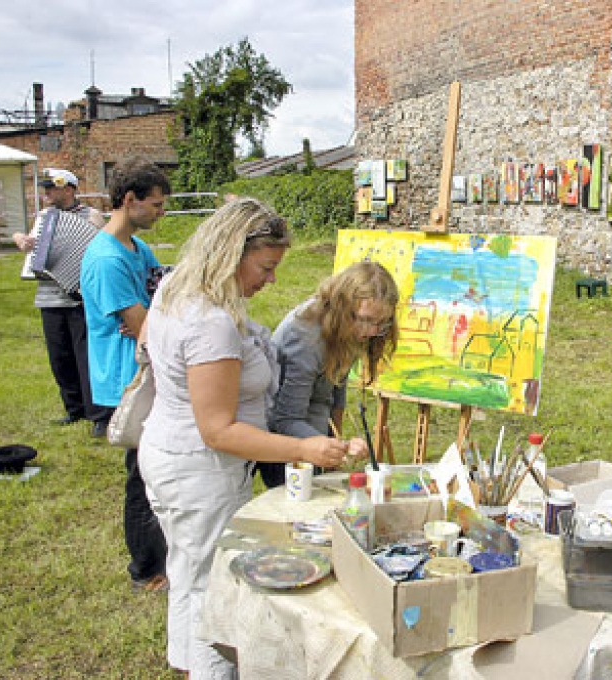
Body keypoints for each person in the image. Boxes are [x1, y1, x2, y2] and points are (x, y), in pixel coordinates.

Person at [138, 198, 354, 677]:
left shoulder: (180, 286)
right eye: (266, 267)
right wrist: (305, 447)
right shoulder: (211, 322)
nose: (271, 279)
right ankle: (209, 670)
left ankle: (188, 666)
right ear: (232, 253)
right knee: (210, 588)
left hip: (174, 455)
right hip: (199, 470)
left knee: (189, 572)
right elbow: (218, 431)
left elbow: (152, 343)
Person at [80, 158, 170, 592]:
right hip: (126, 378)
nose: (161, 213)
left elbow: (163, 299)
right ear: (129, 200)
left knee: (154, 470)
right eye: (155, 204)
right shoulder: (105, 259)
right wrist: (150, 318)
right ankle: (146, 569)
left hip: (144, 370)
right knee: (142, 475)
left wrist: (153, 314)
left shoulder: (138, 248)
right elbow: (147, 327)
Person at [259, 261, 400, 487]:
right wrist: (338, 446)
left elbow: (337, 387)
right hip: (286, 452)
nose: (373, 331)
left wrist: (335, 442)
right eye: (365, 320)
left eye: (381, 323)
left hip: (315, 439)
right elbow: (285, 418)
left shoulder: (352, 327)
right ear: (343, 306)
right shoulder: (306, 338)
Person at [12, 168, 110, 431]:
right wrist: (20, 239)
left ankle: (98, 414)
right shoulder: (44, 218)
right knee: (60, 356)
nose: (46, 194)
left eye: (51, 189)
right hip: (49, 296)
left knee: (86, 356)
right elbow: (26, 240)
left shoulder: (92, 216)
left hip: (79, 297)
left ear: (68, 189)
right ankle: (73, 408)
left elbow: (103, 250)